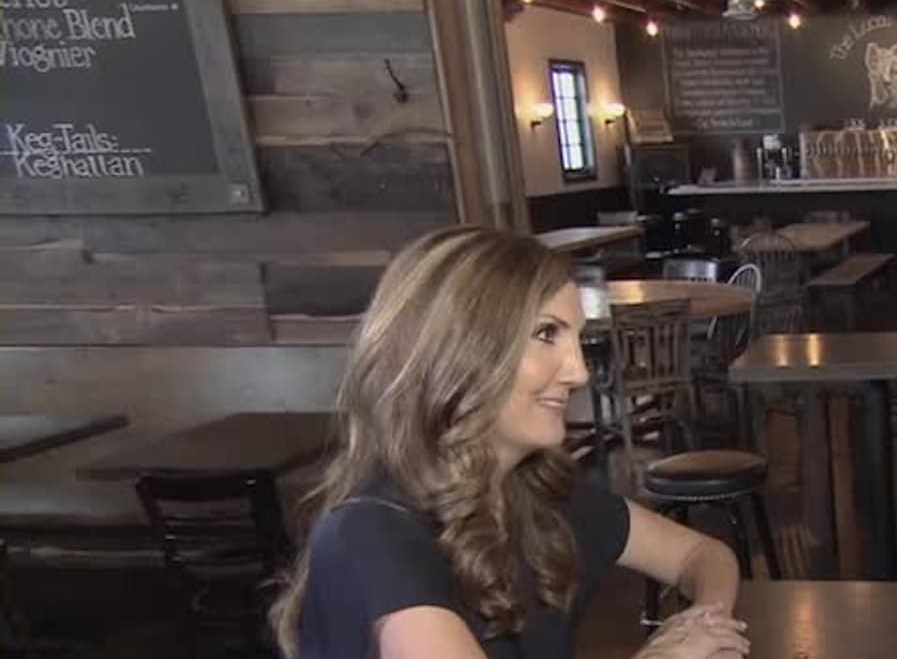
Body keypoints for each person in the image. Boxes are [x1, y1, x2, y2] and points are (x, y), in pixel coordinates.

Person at [269, 226, 749, 659]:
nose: (579, 372)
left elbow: (702, 555)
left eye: (577, 339)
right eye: (546, 334)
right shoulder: (370, 533)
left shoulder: (536, 493)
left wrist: (705, 622)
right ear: (459, 350)